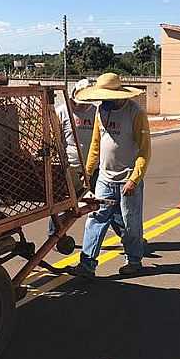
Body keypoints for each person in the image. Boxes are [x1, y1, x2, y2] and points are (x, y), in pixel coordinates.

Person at [71, 73, 150, 277]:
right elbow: (96, 146)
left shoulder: (136, 113)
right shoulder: (100, 112)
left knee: (130, 222)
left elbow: (144, 151)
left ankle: (134, 261)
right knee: (95, 218)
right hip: (105, 179)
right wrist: (87, 172)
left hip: (128, 179)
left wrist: (135, 178)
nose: (104, 101)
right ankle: (87, 264)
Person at [49, 79, 96, 235]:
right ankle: (56, 235)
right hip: (70, 167)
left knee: (102, 204)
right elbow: (56, 139)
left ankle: (127, 237)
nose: (81, 106)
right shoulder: (62, 111)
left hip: (93, 167)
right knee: (64, 205)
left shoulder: (96, 112)